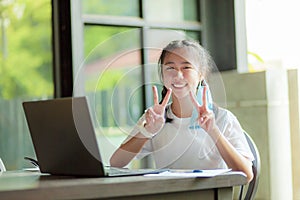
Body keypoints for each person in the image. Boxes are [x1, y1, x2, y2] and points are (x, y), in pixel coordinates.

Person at [110, 39, 254, 182]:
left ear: (201, 74)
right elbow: (116, 163)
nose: (178, 75)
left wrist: (213, 130)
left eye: (186, 68)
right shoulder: (154, 117)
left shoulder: (222, 118)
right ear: (162, 74)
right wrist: (148, 130)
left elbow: (246, 174)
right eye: (170, 68)